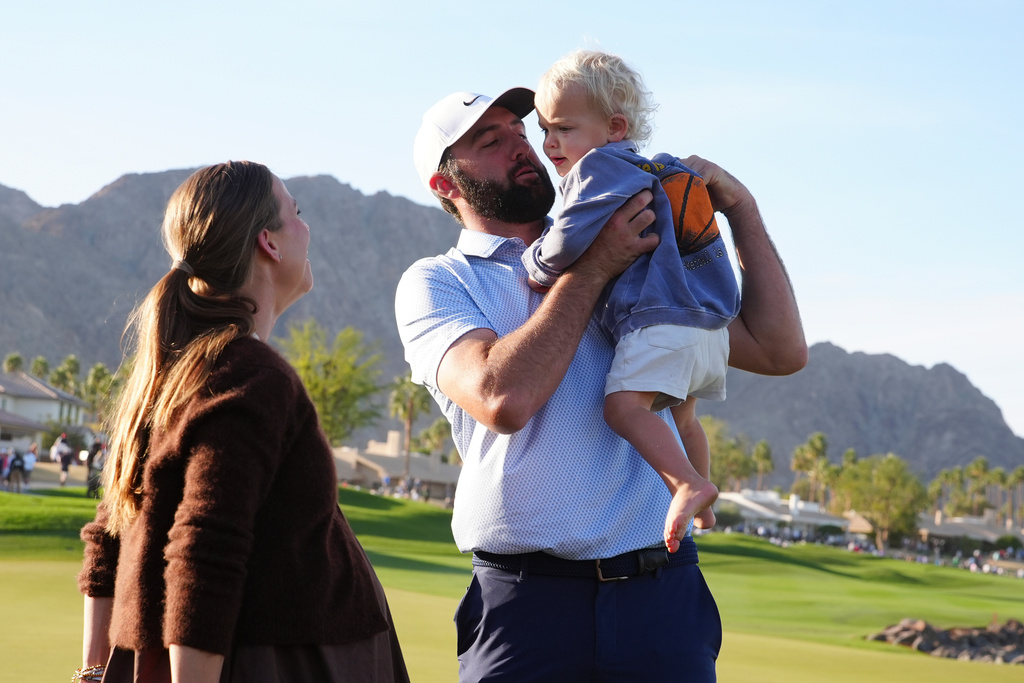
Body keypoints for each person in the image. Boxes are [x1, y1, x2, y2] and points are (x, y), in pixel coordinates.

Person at [398, 88, 806, 681]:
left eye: (520, 130)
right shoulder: (437, 282)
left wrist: (741, 208)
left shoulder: (634, 242)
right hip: (527, 606)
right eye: (491, 142)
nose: (523, 146)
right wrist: (592, 266)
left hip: (659, 597)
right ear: (446, 185)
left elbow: (779, 349)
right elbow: (502, 398)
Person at [77, 161, 408, 683]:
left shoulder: (175, 374)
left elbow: (112, 529)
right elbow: (205, 549)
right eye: (295, 213)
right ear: (268, 244)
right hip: (280, 662)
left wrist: (94, 671)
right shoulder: (248, 375)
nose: (307, 227)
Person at [523, 50, 735, 547]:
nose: (551, 143)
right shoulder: (650, 171)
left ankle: (687, 484)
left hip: (657, 324)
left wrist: (536, 265)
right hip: (705, 330)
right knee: (682, 417)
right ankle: (703, 504)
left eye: (564, 129)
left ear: (614, 127)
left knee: (623, 409)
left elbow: (569, 236)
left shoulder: (601, 170)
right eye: (544, 130)